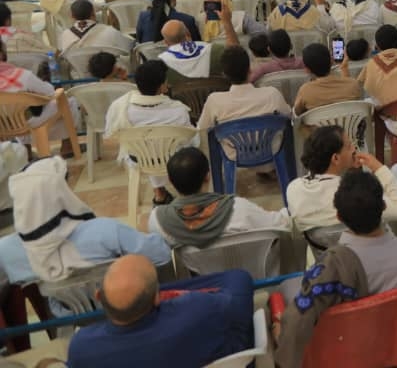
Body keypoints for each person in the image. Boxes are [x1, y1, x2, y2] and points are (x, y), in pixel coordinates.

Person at [274, 168, 397, 367]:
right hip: (389, 347)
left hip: (342, 349)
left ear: (339, 217)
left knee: (283, 294)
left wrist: (280, 333)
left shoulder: (332, 266)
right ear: (384, 206)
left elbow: (298, 319)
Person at [0, 157, 171, 286]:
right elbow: (161, 254)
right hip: (125, 309)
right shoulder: (105, 231)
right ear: (63, 192)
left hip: (65, 317)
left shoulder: (5, 250)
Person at [66, 257, 254, 368]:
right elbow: (241, 283)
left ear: (99, 296)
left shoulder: (81, 349)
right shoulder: (198, 309)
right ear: (158, 297)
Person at [149, 147, 289, 247]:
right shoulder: (239, 209)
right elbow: (282, 224)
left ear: (170, 181)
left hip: (200, 278)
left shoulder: (158, 221)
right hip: (248, 273)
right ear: (208, 176)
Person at [286, 124, 397, 231]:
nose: (354, 148)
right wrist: (379, 168)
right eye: (348, 146)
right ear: (335, 158)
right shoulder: (356, 195)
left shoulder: (293, 189)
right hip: (363, 251)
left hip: (323, 251)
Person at [104, 60, 196, 206]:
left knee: (147, 145)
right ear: (162, 86)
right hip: (174, 161)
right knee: (192, 141)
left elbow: (111, 134)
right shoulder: (178, 111)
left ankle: (159, 193)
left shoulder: (120, 107)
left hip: (139, 159)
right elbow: (188, 138)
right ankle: (191, 192)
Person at [158, 2, 239, 83]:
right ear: (188, 34)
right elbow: (236, 56)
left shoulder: (163, 67)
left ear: (166, 43)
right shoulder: (214, 51)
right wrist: (227, 22)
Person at [293, 43, 363, 115]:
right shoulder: (353, 85)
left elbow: (297, 113)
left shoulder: (305, 91)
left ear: (307, 69)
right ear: (332, 61)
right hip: (348, 122)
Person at [59, 0, 135, 55]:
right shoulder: (109, 31)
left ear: (72, 16)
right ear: (93, 13)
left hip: (78, 72)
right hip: (107, 71)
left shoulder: (65, 35)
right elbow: (129, 46)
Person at [135, 0, 200, 44]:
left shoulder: (143, 17)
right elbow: (197, 45)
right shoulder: (188, 20)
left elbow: (139, 41)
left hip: (148, 52)